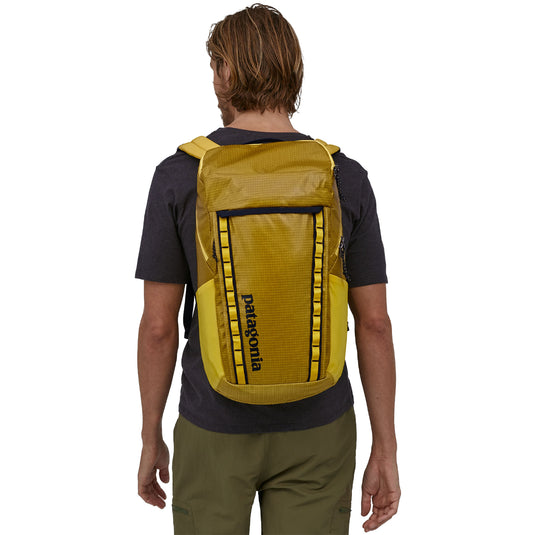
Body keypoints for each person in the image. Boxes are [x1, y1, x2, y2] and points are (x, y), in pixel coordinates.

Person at [135, 4, 400, 534]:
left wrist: (150, 436)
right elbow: (374, 324)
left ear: (226, 71)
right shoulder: (343, 176)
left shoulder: (180, 175)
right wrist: (385, 447)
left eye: (214, 65)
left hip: (212, 424)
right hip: (320, 427)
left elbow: (159, 327)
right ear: (292, 70)